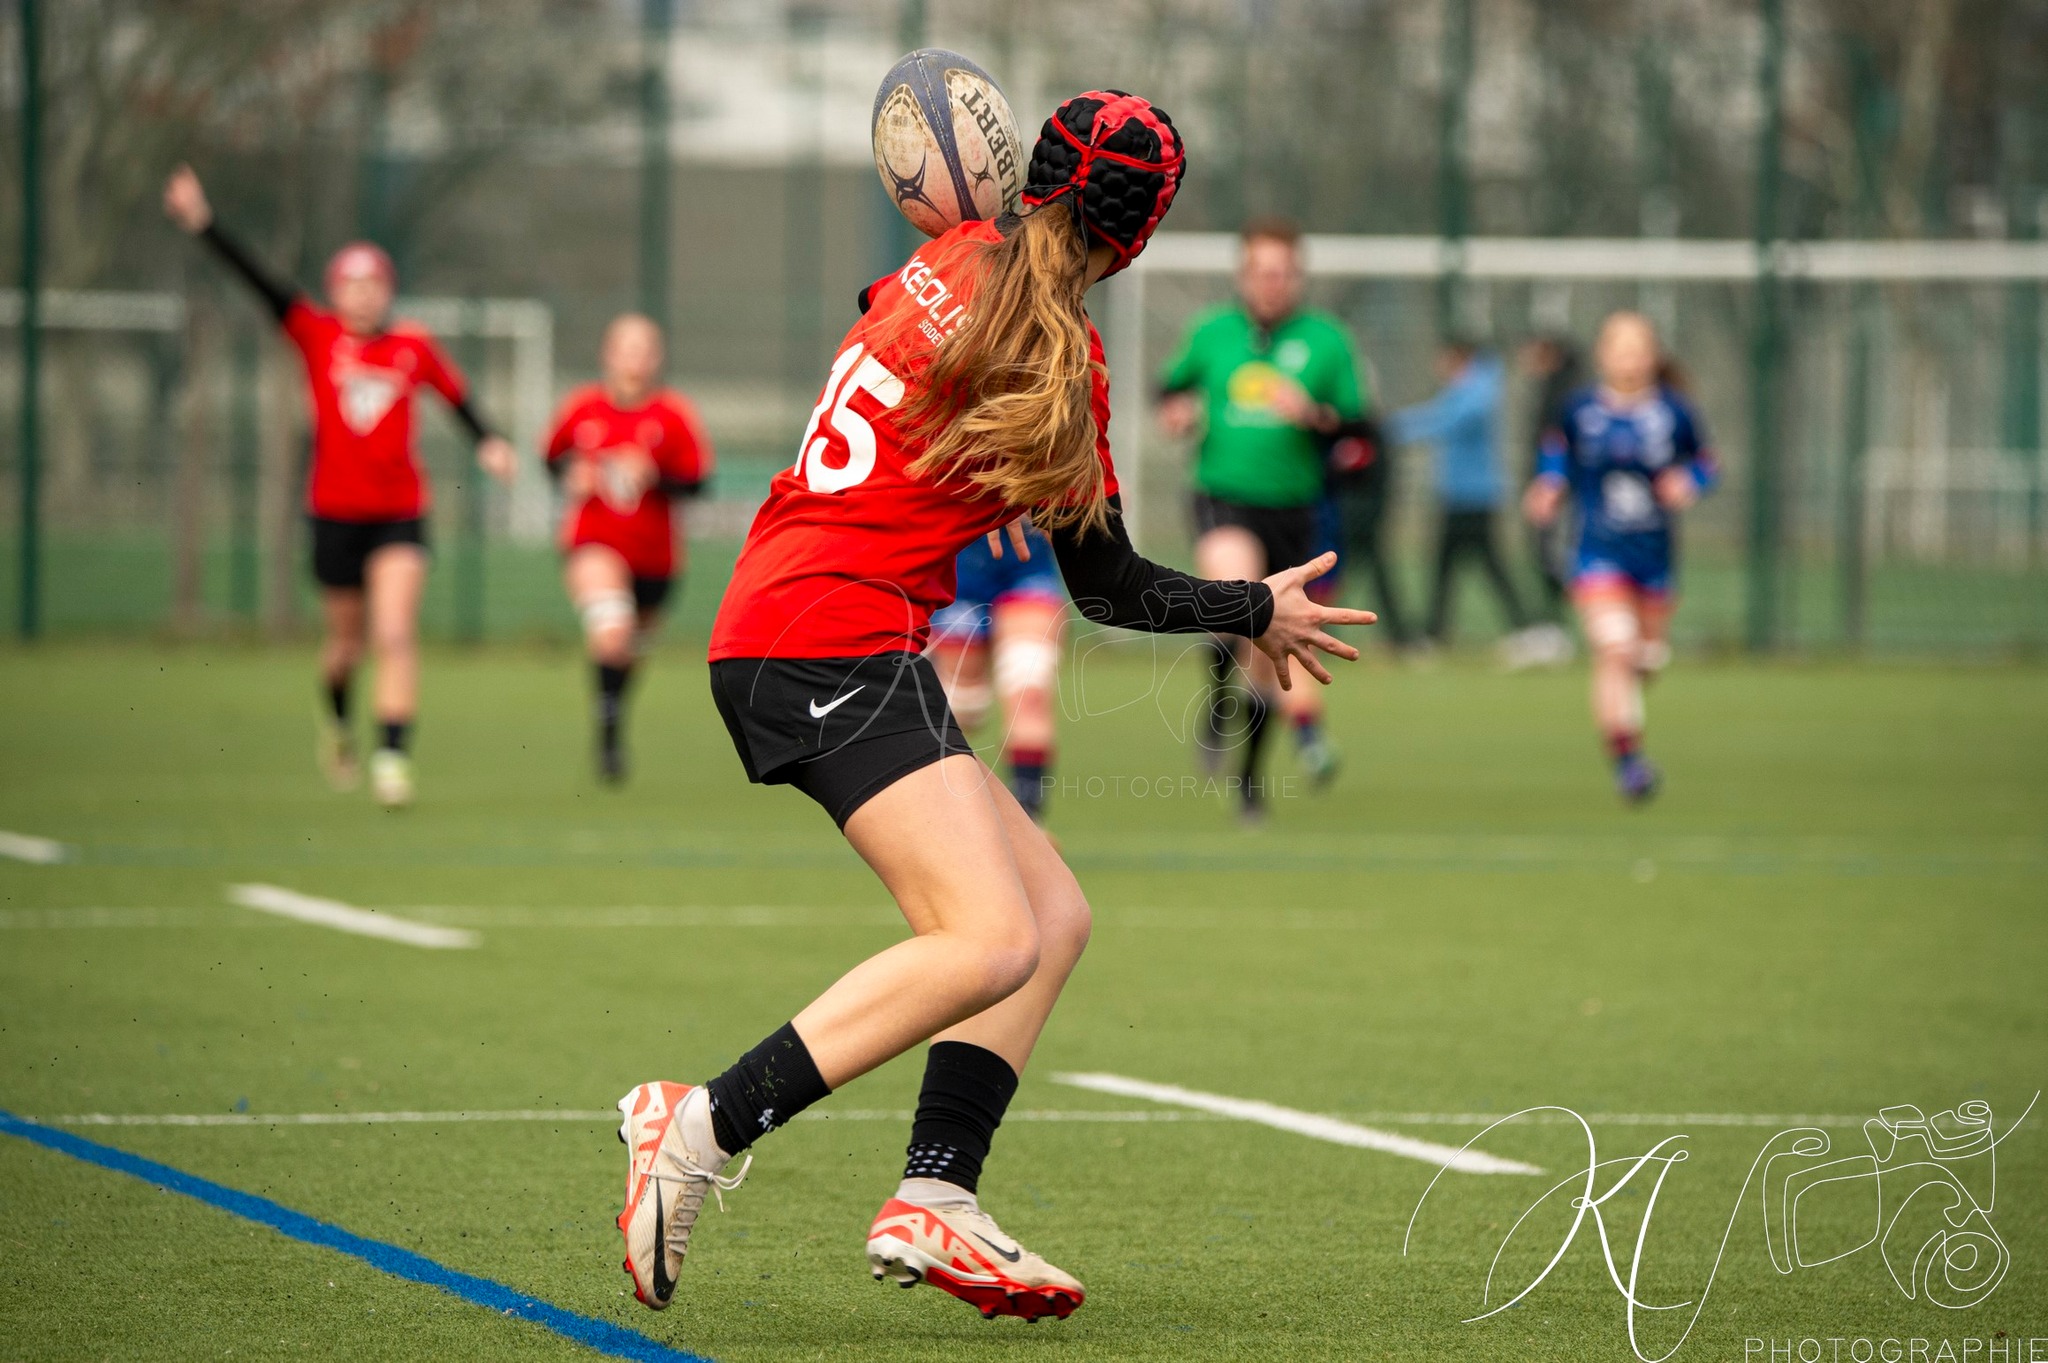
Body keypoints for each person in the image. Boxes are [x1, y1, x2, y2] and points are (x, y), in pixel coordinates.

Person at [614, 92, 1372, 1325]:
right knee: (986, 940)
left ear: (1029, 177)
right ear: (1137, 235)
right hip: (820, 639)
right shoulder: (1064, 360)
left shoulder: (951, 257)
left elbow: (890, 321)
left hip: (810, 623)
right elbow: (1107, 585)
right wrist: (1253, 607)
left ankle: (936, 1193)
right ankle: (696, 1125)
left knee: (1050, 913)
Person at [162, 165, 516, 808]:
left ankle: (391, 761)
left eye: (374, 284)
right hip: (333, 514)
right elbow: (262, 283)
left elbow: (457, 397)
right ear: (335, 292)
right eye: (352, 285)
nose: (364, 295)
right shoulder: (316, 334)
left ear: (389, 291)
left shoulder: (412, 345)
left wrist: (489, 442)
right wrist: (203, 223)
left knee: (395, 634)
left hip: (400, 513)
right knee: (346, 647)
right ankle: (337, 721)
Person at [1157, 217, 1366, 818]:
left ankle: (1249, 777)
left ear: (1298, 276)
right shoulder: (1212, 331)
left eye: (1282, 273)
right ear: (1243, 275)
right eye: (1261, 272)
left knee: (1270, 651)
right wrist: (1177, 410)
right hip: (1222, 494)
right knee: (1236, 597)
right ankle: (1217, 701)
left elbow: (1358, 427)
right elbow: (1169, 388)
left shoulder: (1327, 340)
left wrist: (1314, 416)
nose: (1271, 283)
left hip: (1295, 509)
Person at [1524, 311, 1717, 803]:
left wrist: (1689, 482)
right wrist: (1549, 485)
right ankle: (1628, 762)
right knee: (1616, 650)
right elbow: (1555, 449)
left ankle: (1627, 732)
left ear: (1652, 357)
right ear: (1603, 356)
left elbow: (1705, 461)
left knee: (1645, 662)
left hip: (1654, 557)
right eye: (1620, 349)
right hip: (1596, 551)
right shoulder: (1581, 408)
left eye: (1638, 350)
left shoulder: (1674, 412)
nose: (1629, 360)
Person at [543, 314, 714, 783]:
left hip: (656, 558)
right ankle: (608, 737)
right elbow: (552, 458)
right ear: (608, 353)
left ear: (657, 358)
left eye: (644, 349)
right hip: (593, 542)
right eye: (626, 347)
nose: (635, 358)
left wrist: (654, 477)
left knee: (630, 652)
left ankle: (611, 723)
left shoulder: (673, 414)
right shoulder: (582, 407)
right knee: (612, 631)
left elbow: (697, 484)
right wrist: (571, 475)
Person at [1387, 338, 1532, 649]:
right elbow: (1437, 414)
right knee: (1449, 565)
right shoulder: (1465, 390)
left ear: (1458, 359)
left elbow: (1442, 422)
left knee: (1483, 565)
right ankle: (1435, 630)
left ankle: (1525, 626)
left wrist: (1389, 430)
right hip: (1457, 495)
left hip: (1475, 496)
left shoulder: (1477, 392)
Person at [928, 521, 1065, 822]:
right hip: (958, 563)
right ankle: (943, 817)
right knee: (962, 709)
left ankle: (1029, 821)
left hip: (1027, 565)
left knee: (1030, 691)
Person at [1506, 333, 1586, 667]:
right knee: (1547, 557)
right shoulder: (1554, 389)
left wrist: (1549, 483)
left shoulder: (1564, 395)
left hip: (1559, 494)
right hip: (1551, 490)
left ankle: (1556, 630)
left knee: (1556, 558)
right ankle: (1552, 628)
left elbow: (1557, 442)